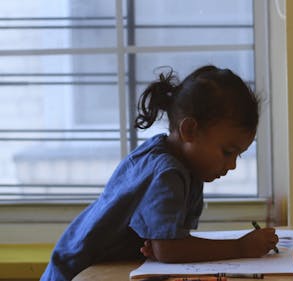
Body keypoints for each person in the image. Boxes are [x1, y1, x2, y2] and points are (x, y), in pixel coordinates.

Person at [40, 65, 279, 281]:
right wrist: (240, 248)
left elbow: (163, 245)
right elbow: (169, 250)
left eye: (238, 155)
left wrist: (163, 245)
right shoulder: (167, 173)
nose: (232, 166)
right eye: (227, 151)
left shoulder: (173, 157)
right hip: (78, 274)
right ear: (189, 130)